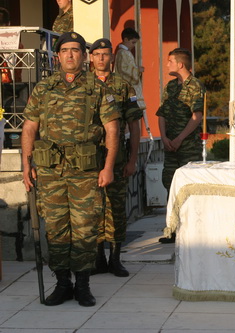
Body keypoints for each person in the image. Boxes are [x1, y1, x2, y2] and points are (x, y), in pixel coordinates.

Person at [21, 32, 120, 307]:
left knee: (85, 228)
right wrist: (26, 164)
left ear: (84, 55)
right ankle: (63, 284)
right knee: (55, 228)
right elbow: (29, 127)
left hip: (86, 171)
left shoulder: (98, 89)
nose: (70, 55)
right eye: (65, 50)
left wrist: (108, 167)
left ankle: (83, 285)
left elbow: (112, 129)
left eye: (76, 50)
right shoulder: (43, 88)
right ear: (58, 56)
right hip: (50, 170)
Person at [89, 38, 143, 277]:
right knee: (93, 209)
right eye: (97, 54)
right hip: (89, 158)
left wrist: (132, 160)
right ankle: (98, 258)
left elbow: (134, 125)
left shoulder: (123, 85)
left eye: (105, 54)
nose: (101, 58)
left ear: (112, 57)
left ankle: (115, 258)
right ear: (91, 58)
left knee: (116, 208)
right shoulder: (82, 84)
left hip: (117, 158)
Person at [156, 48, 205, 244]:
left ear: (180, 64)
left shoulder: (195, 86)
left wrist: (179, 139)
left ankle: (190, 231)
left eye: (170, 61)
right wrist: (164, 138)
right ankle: (172, 230)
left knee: (189, 188)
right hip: (170, 146)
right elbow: (161, 114)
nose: (167, 65)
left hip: (188, 147)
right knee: (170, 185)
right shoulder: (170, 87)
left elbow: (197, 116)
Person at [114, 27, 146, 111]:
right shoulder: (123, 53)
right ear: (125, 39)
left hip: (129, 88)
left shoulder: (125, 52)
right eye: (133, 42)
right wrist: (137, 70)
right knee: (131, 111)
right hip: (127, 89)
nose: (133, 45)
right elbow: (124, 70)